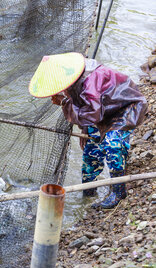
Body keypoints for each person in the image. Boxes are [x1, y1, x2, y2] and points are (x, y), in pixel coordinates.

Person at [29, 52, 147, 209]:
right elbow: (86, 108)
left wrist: (65, 102)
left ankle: (118, 191)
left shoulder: (91, 79)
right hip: (103, 111)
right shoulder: (72, 79)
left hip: (124, 109)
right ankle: (88, 193)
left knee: (113, 144)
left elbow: (92, 113)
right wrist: (84, 126)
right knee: (91, 152)